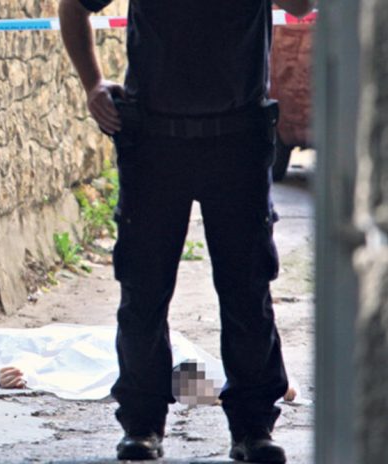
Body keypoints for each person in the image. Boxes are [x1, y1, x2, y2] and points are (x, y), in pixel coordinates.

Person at [57, 0, 313, 462]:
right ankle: (142, 424)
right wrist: (92, 84)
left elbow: (301, 6)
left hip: (237, 142)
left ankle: (253, 428)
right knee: (143, 288)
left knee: (247, 289)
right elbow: (74, 6)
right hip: (154, 143)